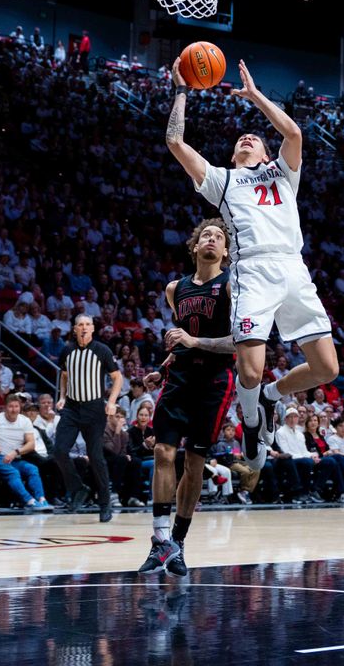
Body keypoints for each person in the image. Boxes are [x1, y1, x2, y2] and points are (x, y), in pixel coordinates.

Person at [166, 58, 338, 474]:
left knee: (327, 369)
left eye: (255, 138)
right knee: (250, 369)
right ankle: (250, 419)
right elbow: (175, 142)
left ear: (266, 151)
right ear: (234, 153)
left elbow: (293, 132)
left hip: (293, 269)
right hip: (253, 270)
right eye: (241, 139)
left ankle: (272, 397)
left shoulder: (283, 172)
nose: (247, 138)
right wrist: (182, 91)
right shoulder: (223, 181)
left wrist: (256, 96)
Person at [139, 220, 235, 577]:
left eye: (219, 237)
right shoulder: (174, 289)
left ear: (226, 251)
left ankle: (178, 543)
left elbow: (241, 343)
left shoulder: (232, 286)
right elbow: (183, 337)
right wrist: (163, 368)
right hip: (179, 377)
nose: (211, 239)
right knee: (163, 451)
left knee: (194, 464)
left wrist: (194, 343)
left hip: (215, 381)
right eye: (206, 235)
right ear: (195, 247)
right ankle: (161, 538)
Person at [56, 315, 124, 522]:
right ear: (75, 329)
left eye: (87, 325)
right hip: (72, 408)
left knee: (96, 457)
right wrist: (62, 397)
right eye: (80, 325)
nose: (84, 328)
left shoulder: (102, 350)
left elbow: (117, 377)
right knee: (59, 451)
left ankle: (105, 503)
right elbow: (65, 375)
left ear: (93, 329)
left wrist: (111, 402)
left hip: (94, 409)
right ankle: (78, 488)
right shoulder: (67, 350)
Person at [0, 394, 53, 511]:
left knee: (32, 469)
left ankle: (41, 499)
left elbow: (31, 444)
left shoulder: (24, 421)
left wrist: (15, 452)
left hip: (16, 458)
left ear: (20, 408)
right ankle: (29, 501)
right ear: (5, 407)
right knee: (13, 473)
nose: (14, 409)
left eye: (16, 406)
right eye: (10, 406)